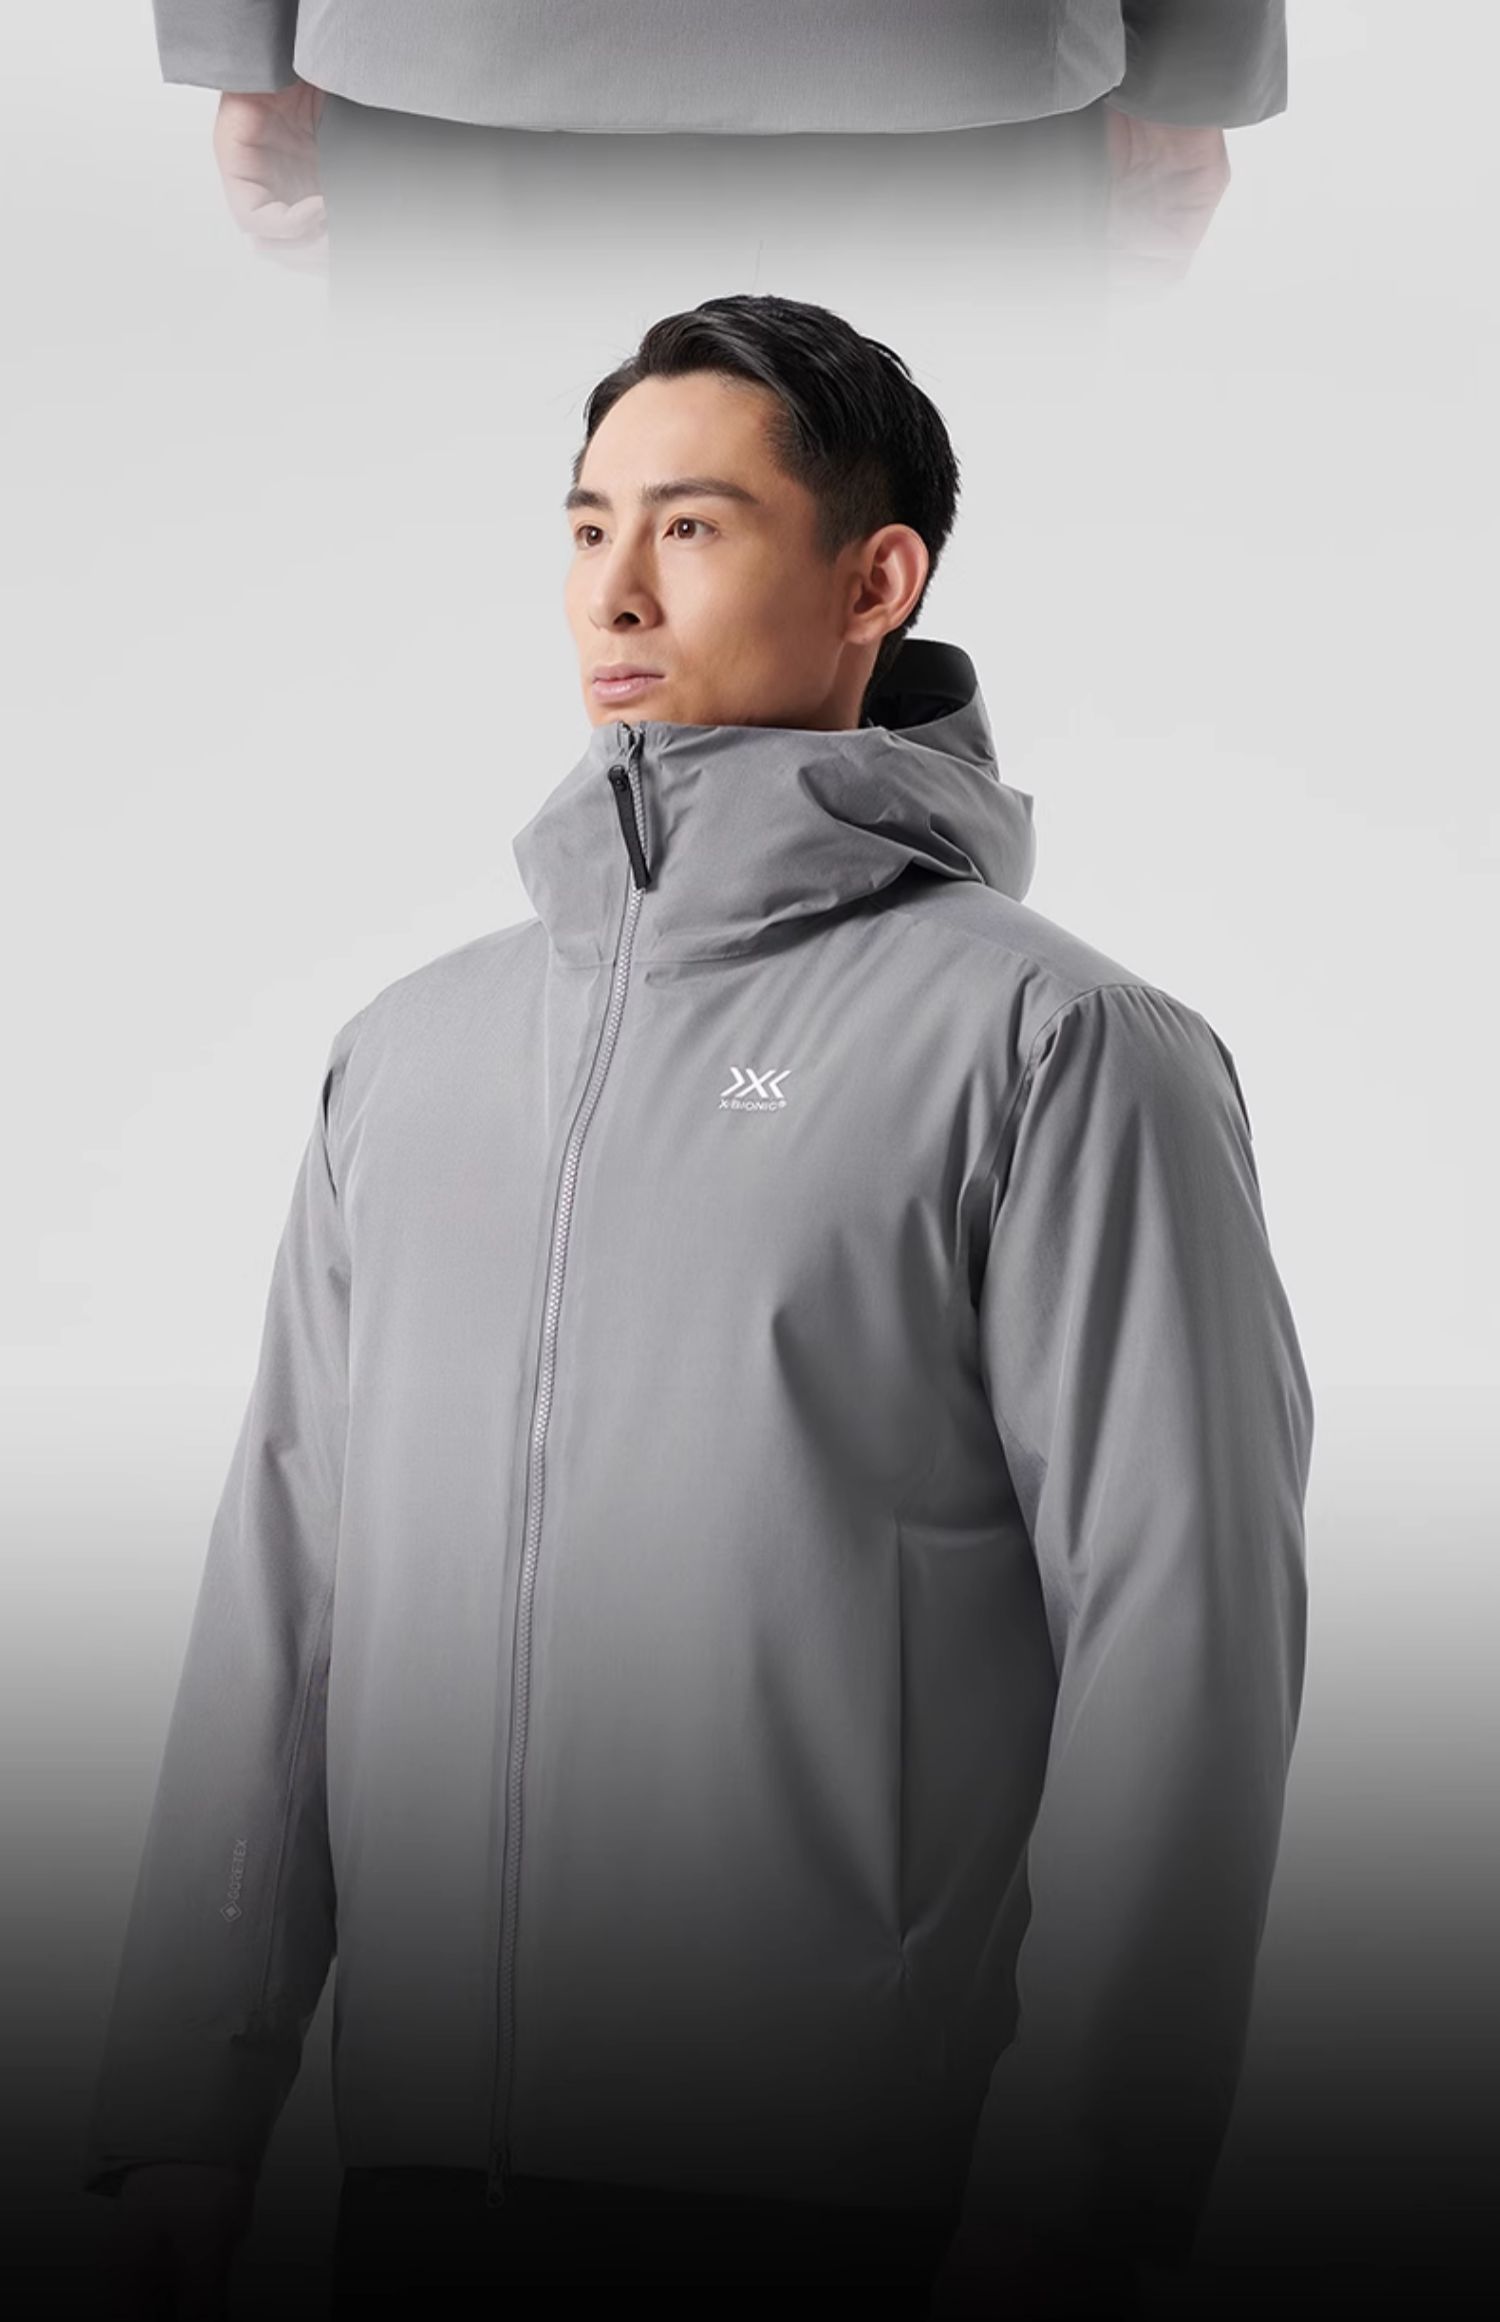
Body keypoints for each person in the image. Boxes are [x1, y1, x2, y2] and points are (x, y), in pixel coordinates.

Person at [83, 291, 1312, 2318]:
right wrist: (181, 2107)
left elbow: (1186, 1633)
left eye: (692, 526)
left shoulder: (1056, 1046)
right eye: (587, 528)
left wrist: (1085, 2186)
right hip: (421, 2187)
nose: (617, 591)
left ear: (876, 580)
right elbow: (284, 1585)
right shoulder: (412, 1054)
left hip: (846, 2207)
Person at [170, 3, 1286, 295]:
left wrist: (245, 51)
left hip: (454, 64)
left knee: (449, 544)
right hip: (962, 68)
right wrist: (1192, 70)